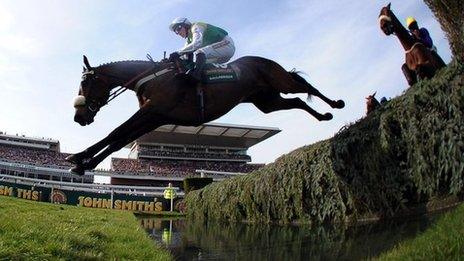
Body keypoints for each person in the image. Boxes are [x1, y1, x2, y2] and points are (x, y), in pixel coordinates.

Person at [169, 17, 235, 81]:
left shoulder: (196, 26)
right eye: (176, 32)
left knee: (200, 52)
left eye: (178, 29)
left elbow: (197, 43)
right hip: (219, 56)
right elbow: (185, 54)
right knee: (197, 64)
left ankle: (196, 76)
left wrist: (178, 53)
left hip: (227, 44)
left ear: (185, 25)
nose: (178, 33)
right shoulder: (189, 40)